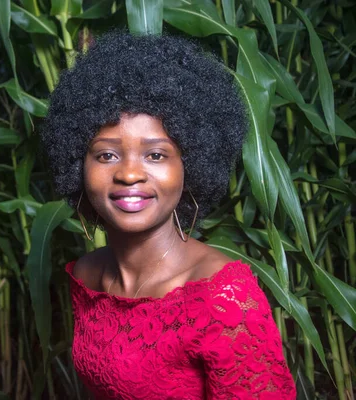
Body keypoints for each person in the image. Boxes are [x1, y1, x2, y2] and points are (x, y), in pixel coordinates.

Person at [40, 32, 296, 399]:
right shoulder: (87, 275)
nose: (129, 174)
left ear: (190, 165)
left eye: (156, 155)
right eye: (107, 155)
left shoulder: (223, 298)